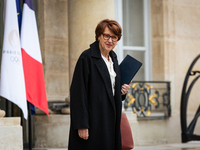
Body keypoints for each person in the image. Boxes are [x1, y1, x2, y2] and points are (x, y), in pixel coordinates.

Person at [68, 19, 130, 150]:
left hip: (110, 121)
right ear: (98, 36)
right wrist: (82, 124)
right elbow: (78, 93)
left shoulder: (113, 58)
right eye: (106, 35)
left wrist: (121, 92)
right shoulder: (87, 58)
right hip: (93, 121)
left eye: (114, 37)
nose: (110, 40)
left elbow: (109, 90)